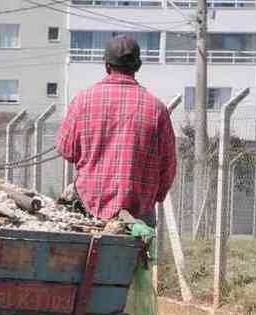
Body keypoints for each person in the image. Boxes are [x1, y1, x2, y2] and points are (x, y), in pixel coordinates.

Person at [55, 36, 176, 227]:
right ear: (138, 66)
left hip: (89, 207)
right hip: (139, 213)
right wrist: (154, 197)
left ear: (106, 65)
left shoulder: (82, 101)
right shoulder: (157, 109)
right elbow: (167, 167)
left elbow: (66, 150)